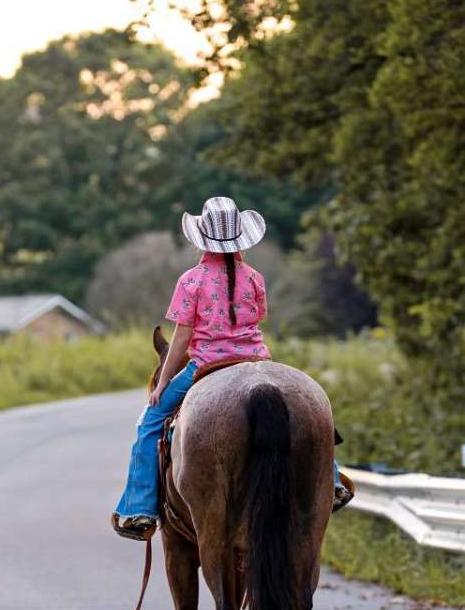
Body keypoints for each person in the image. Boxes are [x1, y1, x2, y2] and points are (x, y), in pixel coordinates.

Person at [111, 196, 353, 541]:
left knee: (150, 423)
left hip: (206, 363)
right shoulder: (254, 277)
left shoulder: (191, 281)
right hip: (255, 358)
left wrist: (162, 384)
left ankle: (139, 508)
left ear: (201, 239)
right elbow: (257, 319)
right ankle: (331, 482)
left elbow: (181, 339)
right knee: (310, 412)